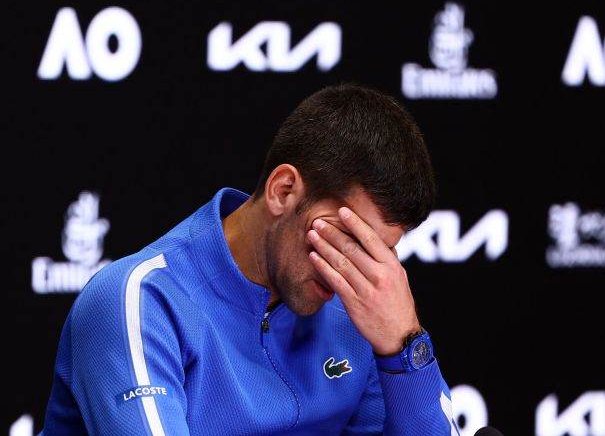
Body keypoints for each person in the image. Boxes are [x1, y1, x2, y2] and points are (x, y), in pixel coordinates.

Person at [40, 84, 460, 435]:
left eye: (377, 251)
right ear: (283, 190)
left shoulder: (359, 312)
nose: (351, 266)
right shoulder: (139, 300)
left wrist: (403, 342)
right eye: (346, 238)